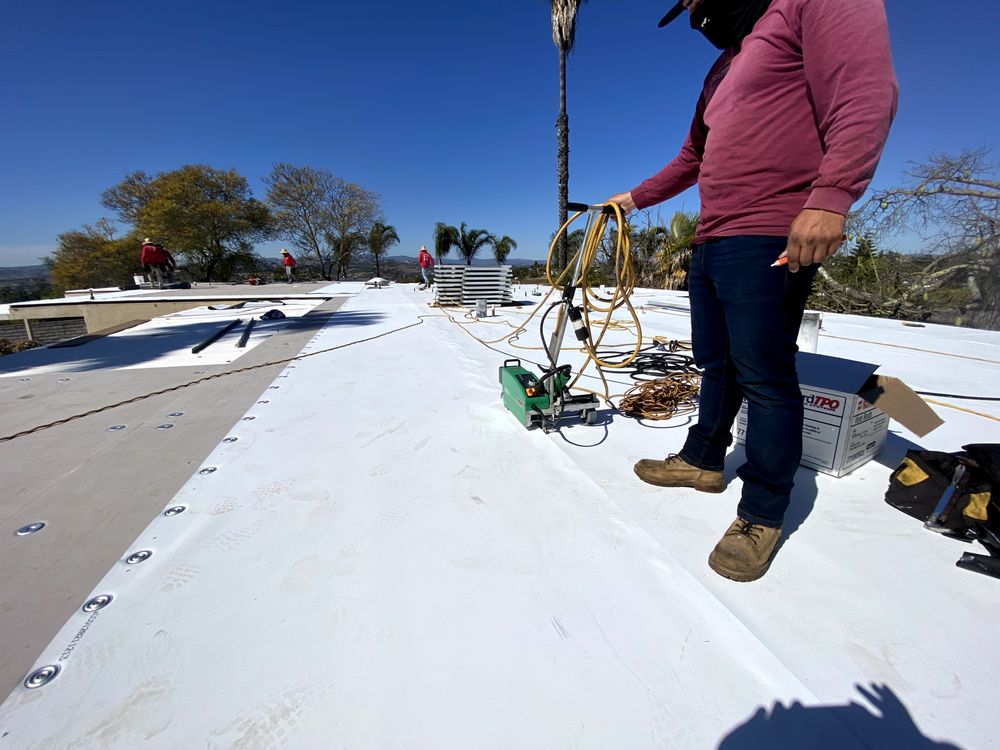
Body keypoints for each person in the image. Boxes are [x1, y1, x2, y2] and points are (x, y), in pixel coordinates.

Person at [607, 0, 898, 582]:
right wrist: (631, 200)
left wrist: (830, 196)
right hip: (712, 238)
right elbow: (693, 156)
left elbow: (864, 90)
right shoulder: (721, 67)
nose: (693, 10)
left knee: (764, 373)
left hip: (771, 230)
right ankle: (703, 460)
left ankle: (763, 511)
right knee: (715, 362)